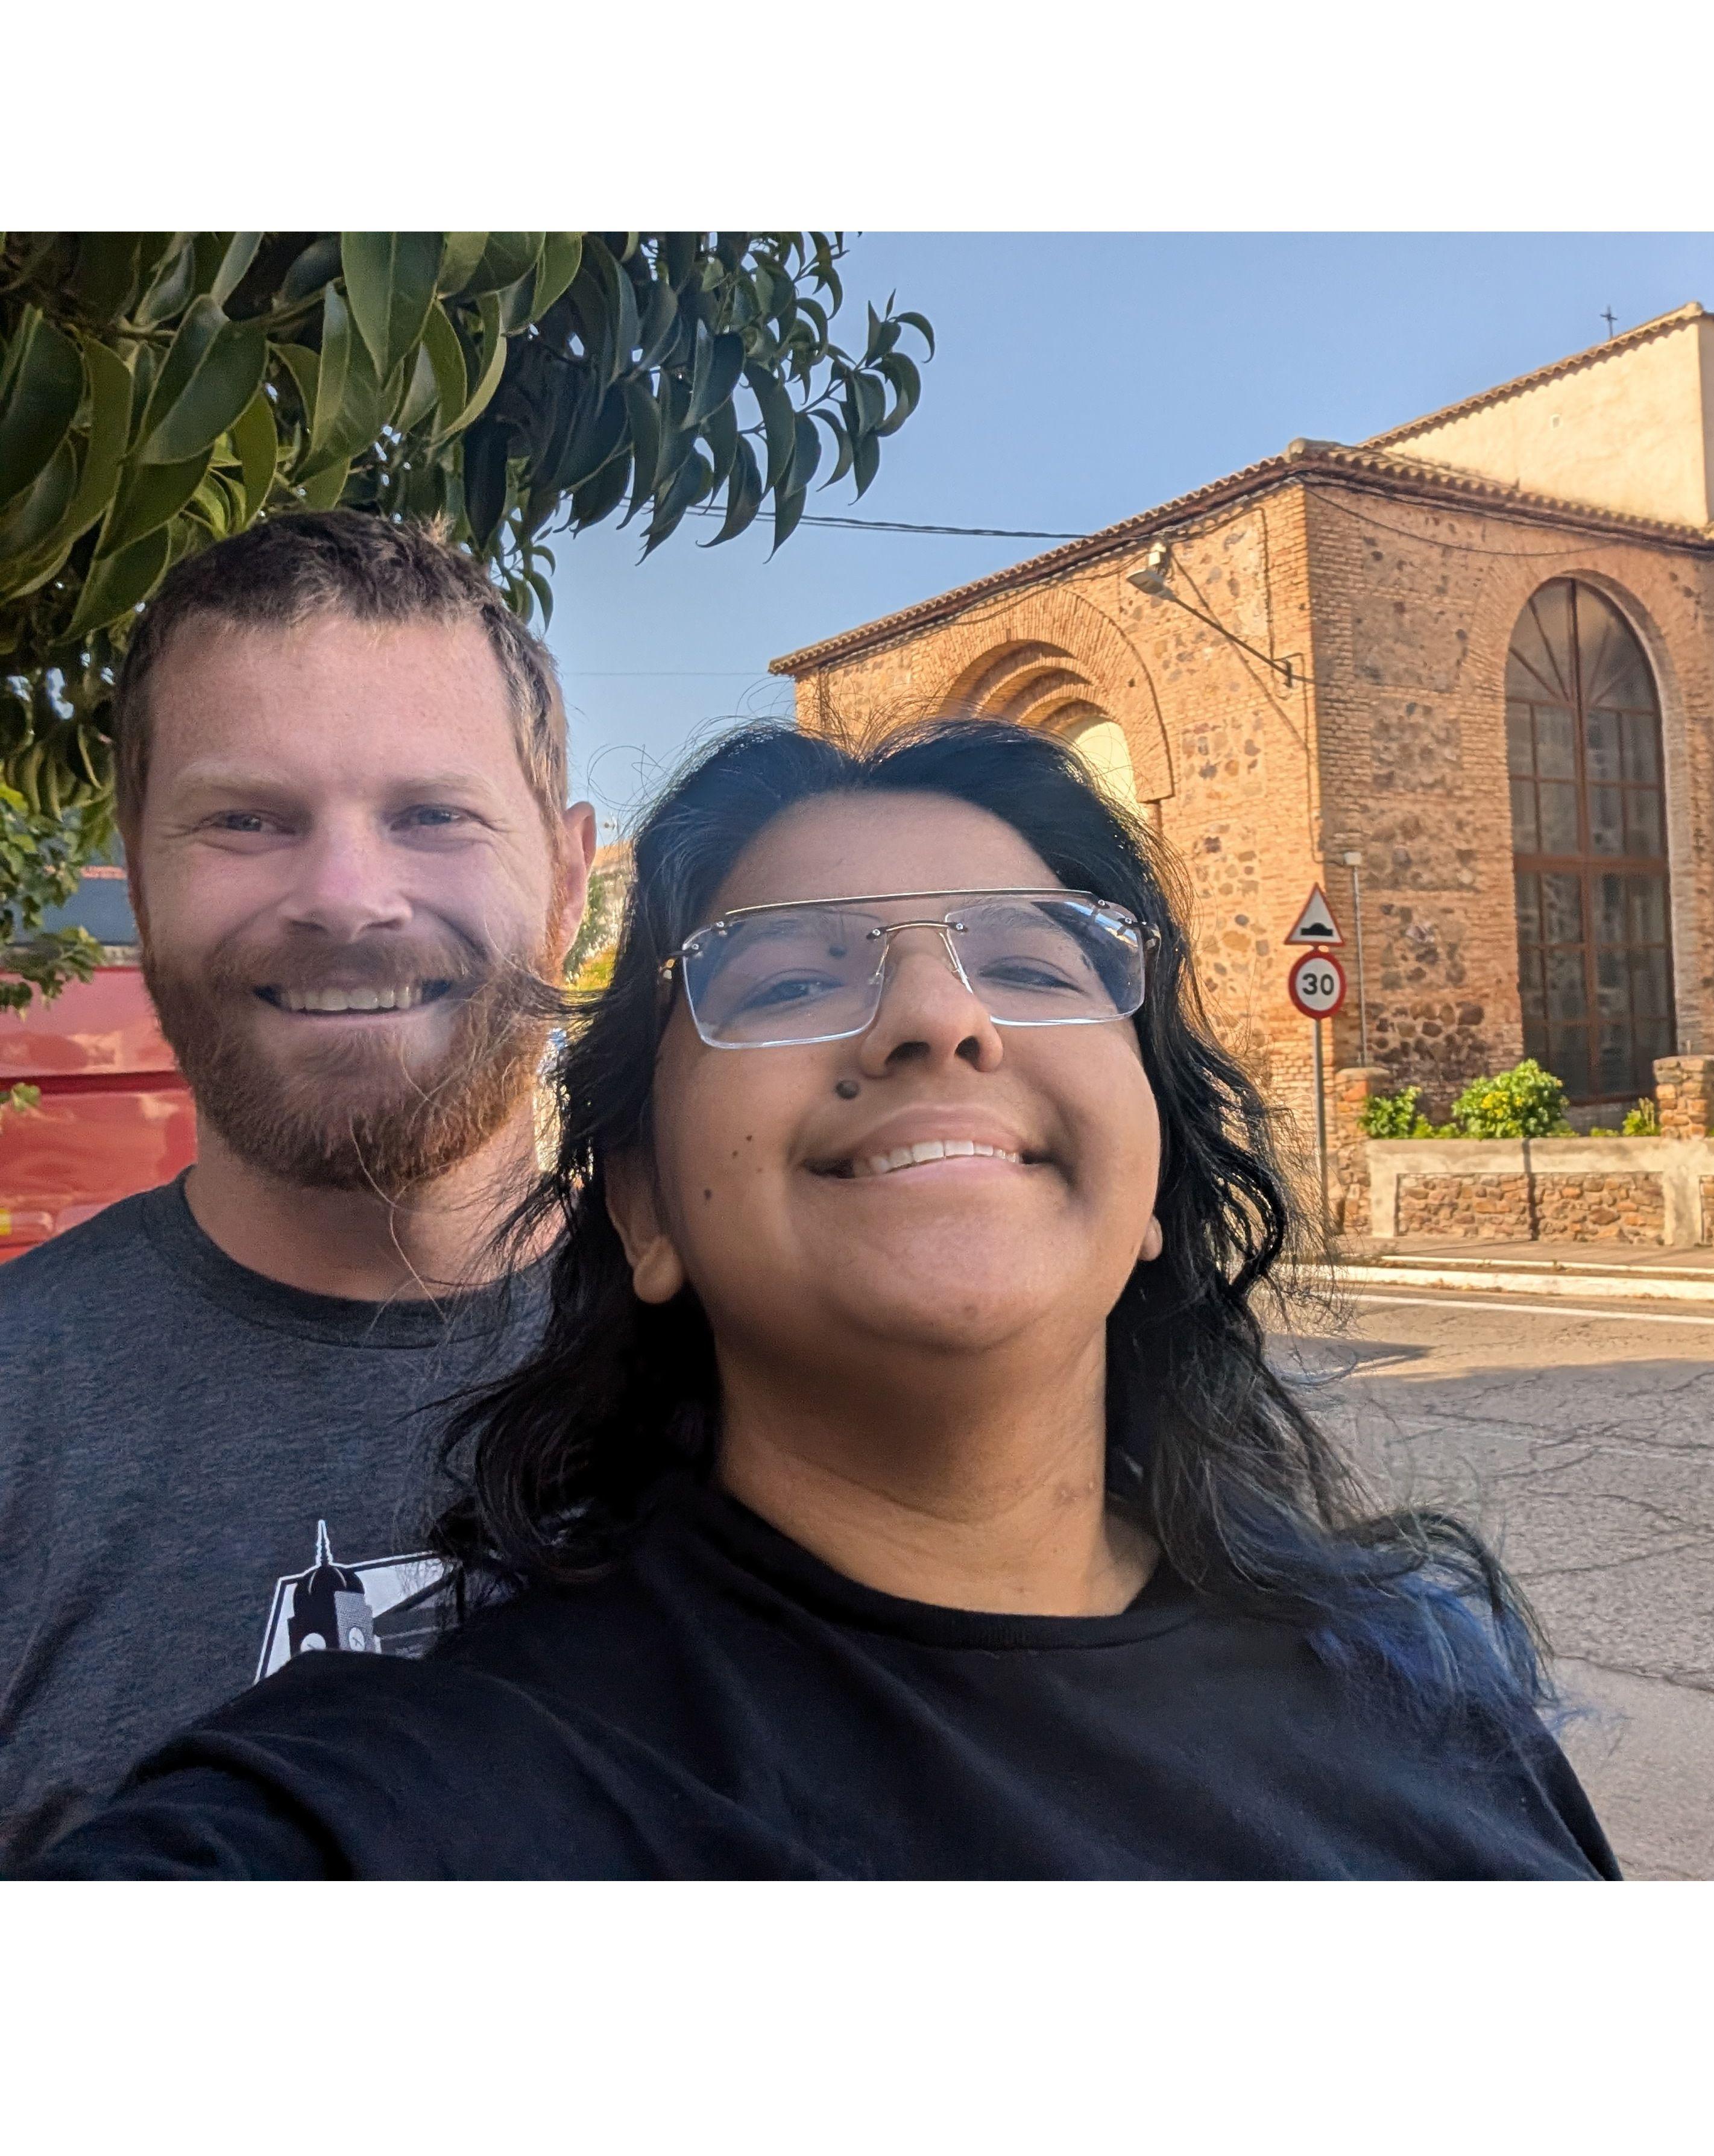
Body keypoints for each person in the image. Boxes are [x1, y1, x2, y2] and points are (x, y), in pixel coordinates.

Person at [20, 719, 1616, 1879]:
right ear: (643, 1207)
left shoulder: (1428, 1689)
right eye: (789, 979)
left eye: (1033, 961)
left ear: (1150, 1189)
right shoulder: (422, 1802)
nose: (936, 1016)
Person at [0, 512, 594, 1864]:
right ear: (139, 879)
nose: (345, 898)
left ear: (568, 880)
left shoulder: (782, 1368)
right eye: (245, 821)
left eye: (432, 815)